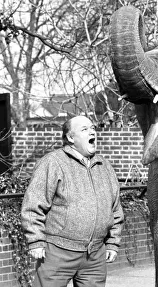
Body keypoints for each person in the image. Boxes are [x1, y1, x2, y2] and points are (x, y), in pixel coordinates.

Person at [21, 115, 124, 287]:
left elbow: (115, 209)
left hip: (95, 256)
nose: (92, 131)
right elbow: (33, 205)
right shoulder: (52, 162)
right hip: (57, 253)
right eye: (84, 129)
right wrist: (35, 240)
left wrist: (113, 242)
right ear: (70, 137)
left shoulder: (105, 167)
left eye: (92, 128)